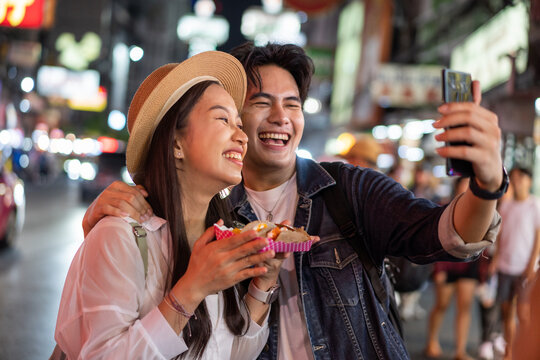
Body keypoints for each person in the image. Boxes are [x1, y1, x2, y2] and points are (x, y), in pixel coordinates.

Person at [82, 42, 505, 359]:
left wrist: (486, 183)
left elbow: (445, 234)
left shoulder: (347, 191)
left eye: (293, 104)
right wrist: (105, 221)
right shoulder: (211, 218)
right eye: (260, 103)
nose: (281, 117)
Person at [53, 51, 283, 359]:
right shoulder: (119, 237)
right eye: (223, 119)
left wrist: (262, 287)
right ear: (176, 143)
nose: (242, 137)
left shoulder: (220, 238)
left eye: (239, 124)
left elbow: (229, 353)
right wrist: (191, 289)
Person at [424, 176, 479, 360]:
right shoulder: (445, 207)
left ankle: (460, 350)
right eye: (465, 185)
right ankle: (431, 340)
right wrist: (438, 269)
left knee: (465, 307)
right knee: (441, 305)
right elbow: (435, 239)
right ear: (456, 187)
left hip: (469, 265)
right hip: (447, 265)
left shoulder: (477, 211)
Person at [489, 166, 540, 359]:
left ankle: (528, 352)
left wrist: (531, 265)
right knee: (506, 311)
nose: (517, 181)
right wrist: (495, 259)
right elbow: (500, 236)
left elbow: (538, 238)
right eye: (514, 178)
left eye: (520, 178)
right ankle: (509, 352)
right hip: (505, 266)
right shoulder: (506, 205)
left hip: (524, 268)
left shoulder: (535, 205)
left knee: (525, 312)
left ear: (529, 181)